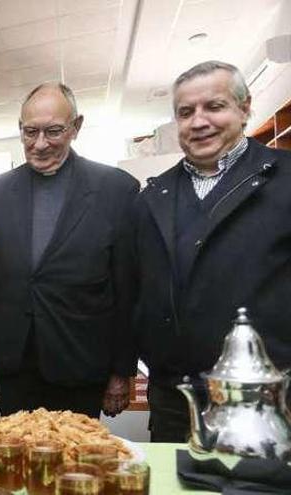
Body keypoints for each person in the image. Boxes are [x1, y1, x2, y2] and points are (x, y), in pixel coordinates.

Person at [133, 60, 291, 442]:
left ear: (244, 107)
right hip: (176, 402)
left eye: (214, 107)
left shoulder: (286, 181)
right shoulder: (152, 198)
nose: (198, 121)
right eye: (185, 112)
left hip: (269, 404)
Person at [0, 82, 140, 418]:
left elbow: (128, 290)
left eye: (53, 131)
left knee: (76, 460)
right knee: (15, 463)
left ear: (76, 126)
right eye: (30, 132)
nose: (40, 143)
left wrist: (122, 371)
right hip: (15, 362)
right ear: (19, 128)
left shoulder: (116, 190)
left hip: (81, 360)